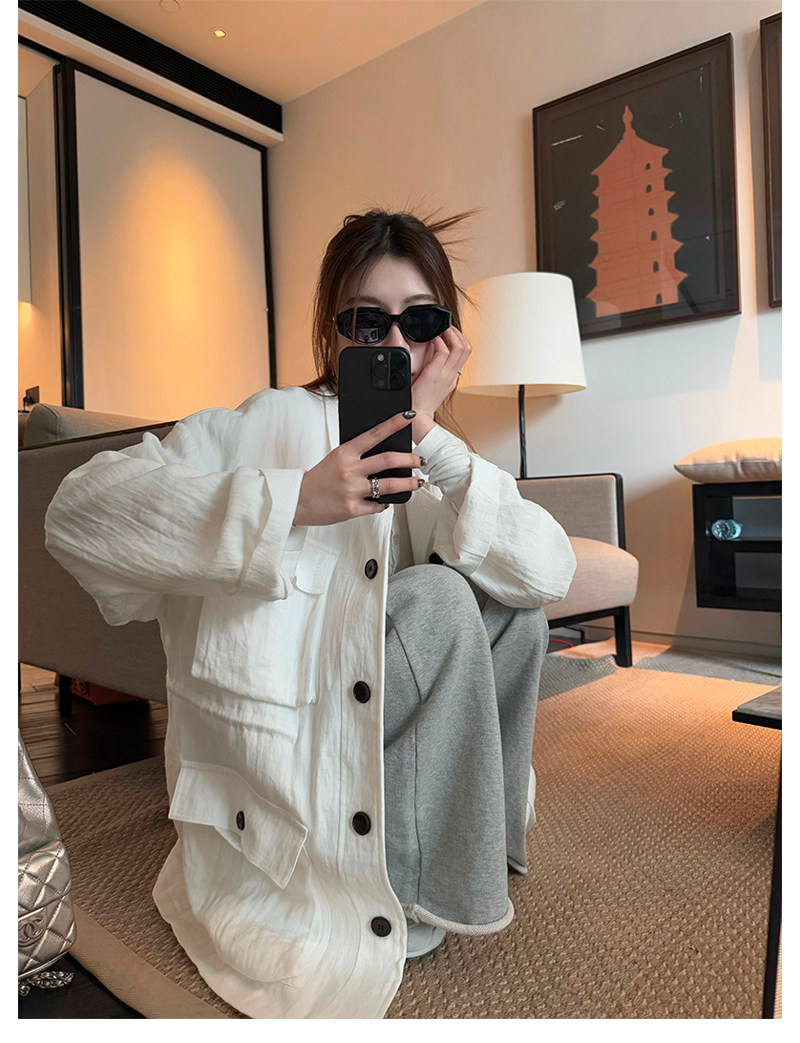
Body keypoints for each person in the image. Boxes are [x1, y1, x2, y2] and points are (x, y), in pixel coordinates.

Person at [44, 209, 577, 1019]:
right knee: (438, 599)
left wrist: (431, 438)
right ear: (334, 330)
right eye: (368, 322)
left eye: (420, 322)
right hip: (294, 756)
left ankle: (460, 853)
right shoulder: (257, 426)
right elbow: (78, 515)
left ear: (447, 339)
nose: (394, 344)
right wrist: (292, 500)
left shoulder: (436, 458)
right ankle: (396, 872)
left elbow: (548, 573)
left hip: (377, 717)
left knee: (513, 607)